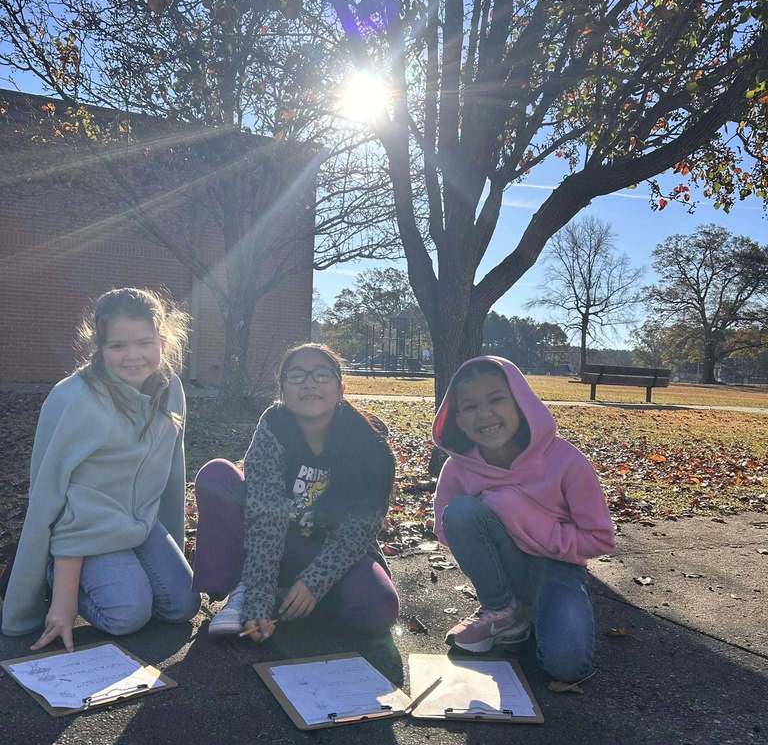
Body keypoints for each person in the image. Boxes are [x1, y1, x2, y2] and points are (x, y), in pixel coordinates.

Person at [1, 288, 200, 648]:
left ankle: (123, 575)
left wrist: (171, 537)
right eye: (117, 346)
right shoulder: (75, 399)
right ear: (98, 347)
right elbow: (55, 497)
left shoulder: (170, 389)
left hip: (138, 524)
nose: (133, 356)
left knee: (181, 605)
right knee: (127, 615)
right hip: (82, 534)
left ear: (164, 340)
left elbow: (171, 474)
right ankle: (57, 575)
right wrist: (64, 600)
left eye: (145, 342)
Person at [193, 344, 399, 640]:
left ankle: (295, 596)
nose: (310, 383)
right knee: (217, 475)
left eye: (322, 374)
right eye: (297, 375)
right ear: (282, 390)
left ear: (341, 387)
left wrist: (315, 582)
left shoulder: (368, 438)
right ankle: (245, 589)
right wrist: (258, 601)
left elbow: (361, 527)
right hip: (279, 541)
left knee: (378, 608)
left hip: (332, 549)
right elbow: (266, 519)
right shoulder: (273, 427)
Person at [432, 356, 615, 682]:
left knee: (566, 667)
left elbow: (599, 538)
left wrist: (520, 516)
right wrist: (495, 521)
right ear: (458, 419)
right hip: (504, 569)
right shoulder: (458, 467)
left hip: (557, 568)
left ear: (521, 404)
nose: (485, 414)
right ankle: (503, 611)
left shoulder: (566, 461)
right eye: (470, 406)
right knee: (460, 511)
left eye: (497, 399)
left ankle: (539, 614)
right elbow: (448, 530)